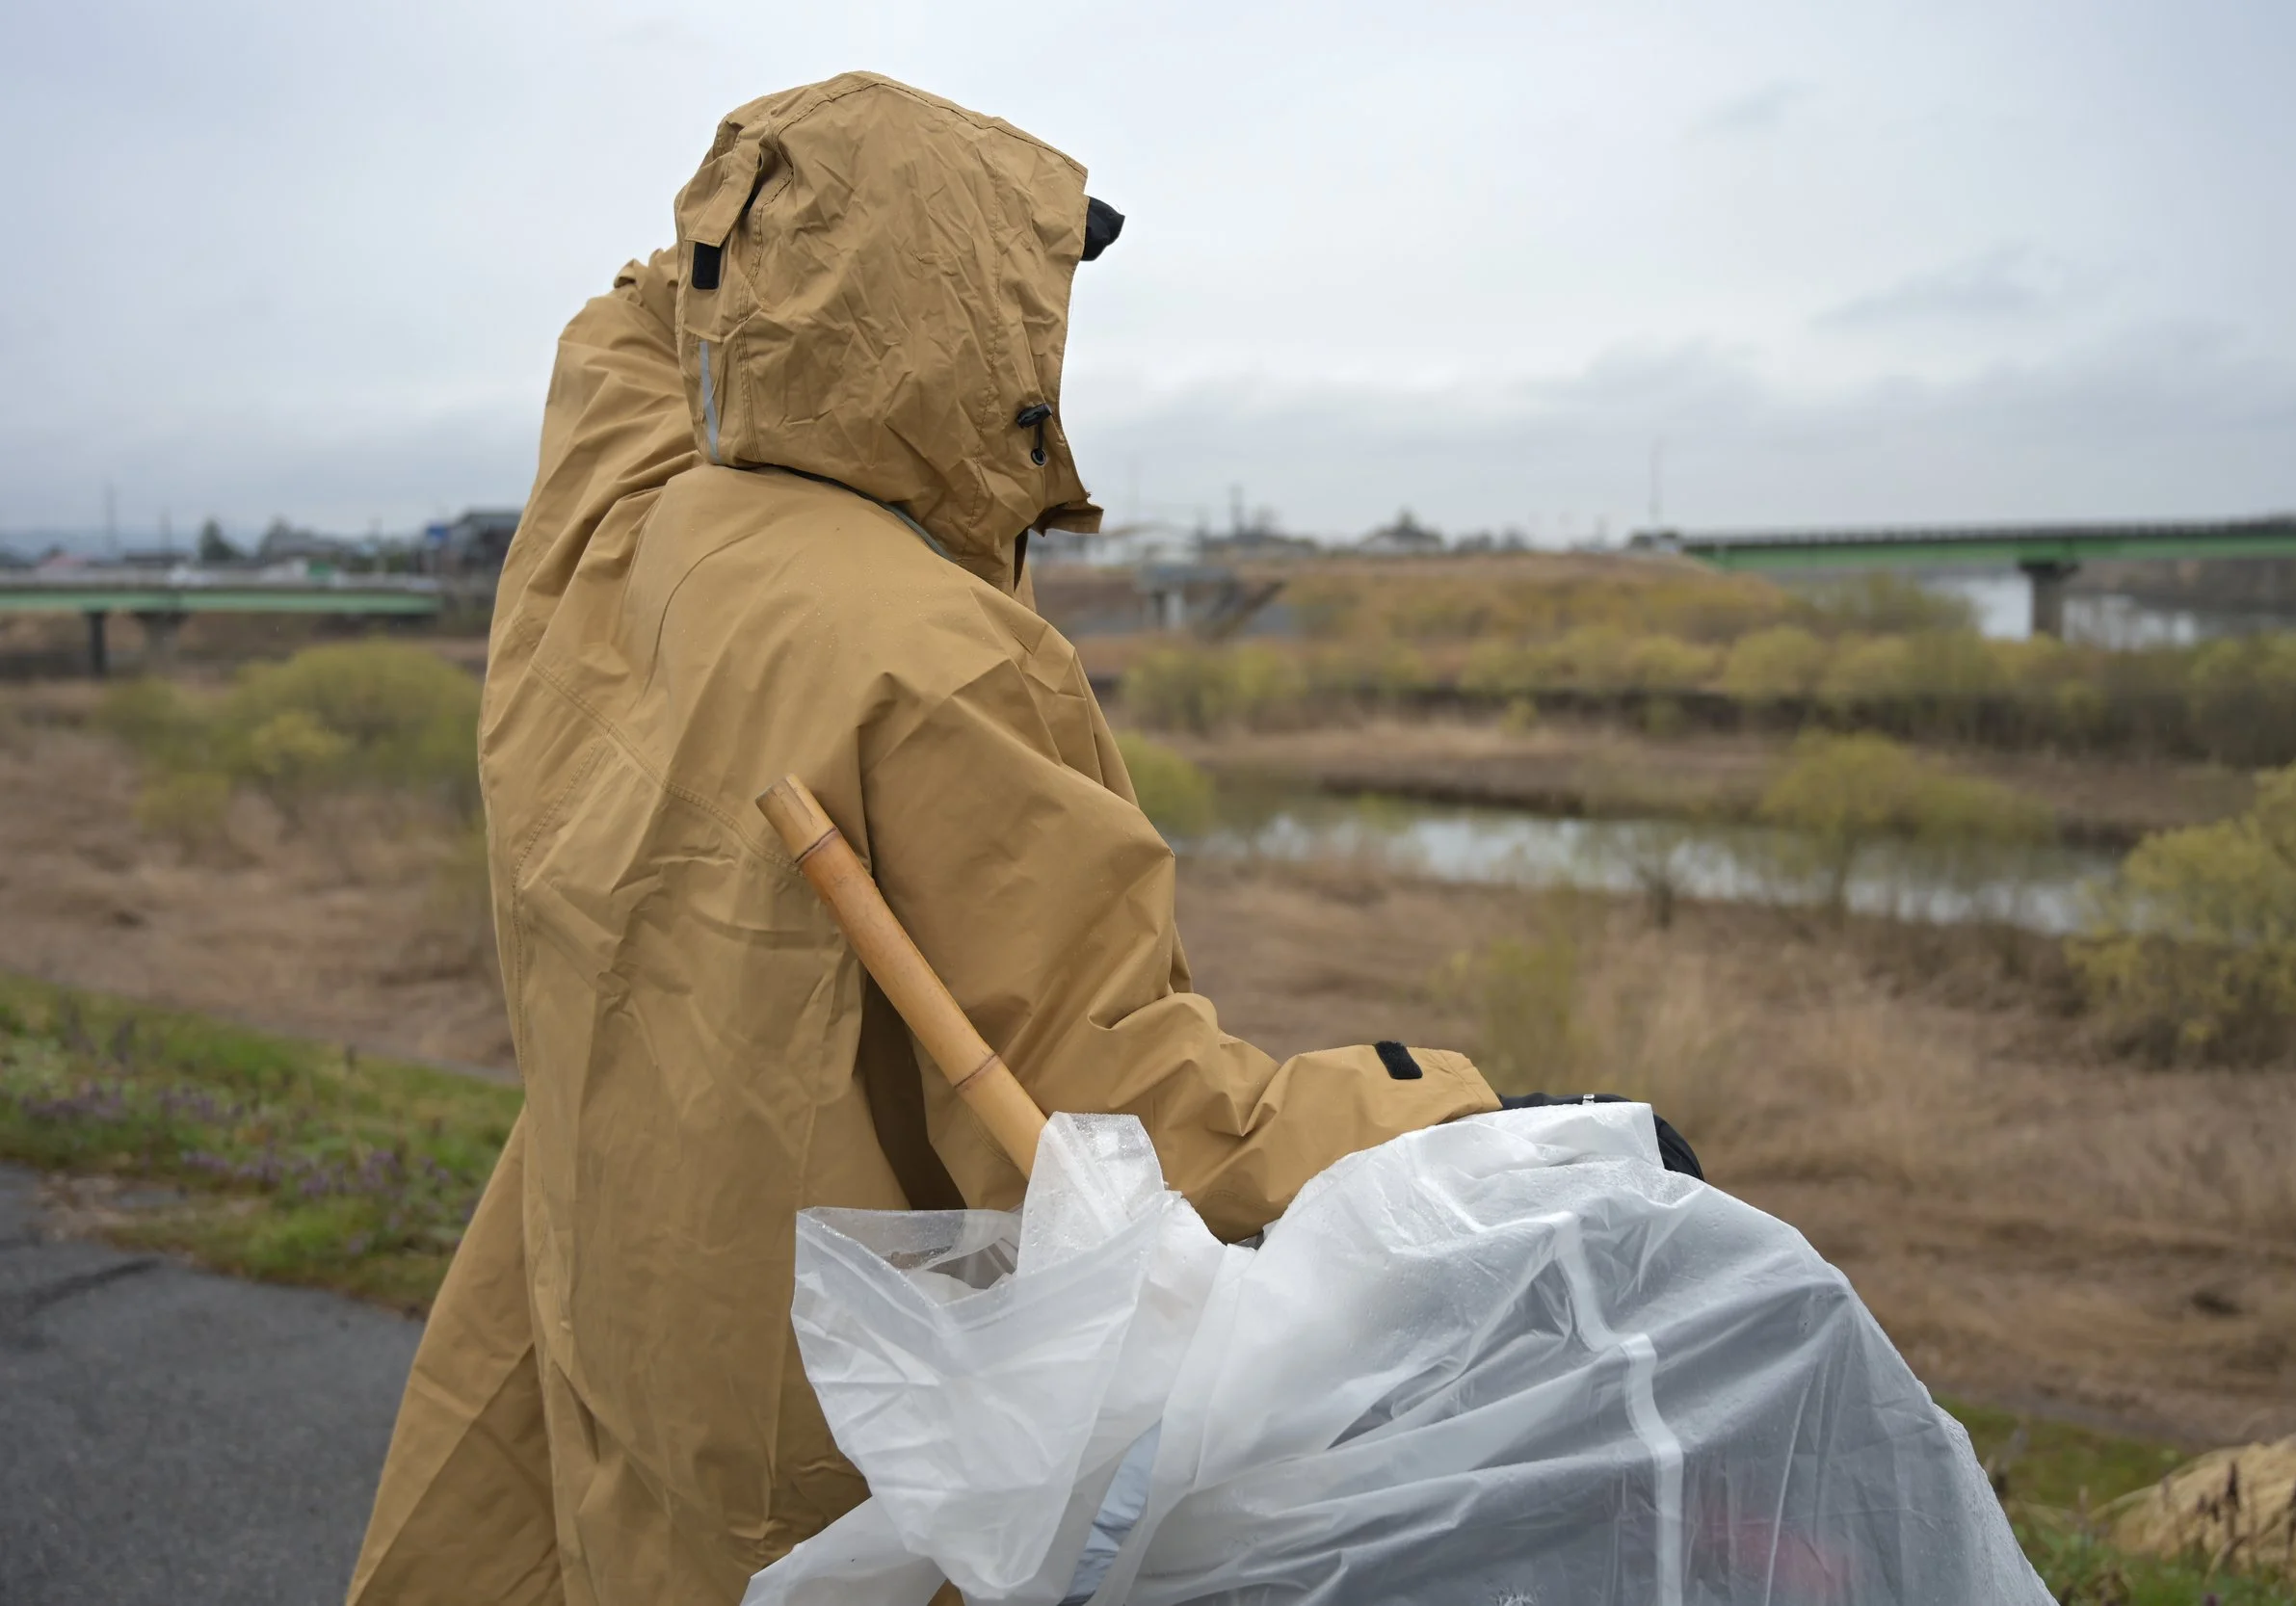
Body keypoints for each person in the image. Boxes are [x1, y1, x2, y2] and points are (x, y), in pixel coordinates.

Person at [346, 73, 1503, 1606]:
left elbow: (628, 335)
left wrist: (768, 209)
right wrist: (1452, 1123)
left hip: (603, 1330)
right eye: (1030, 290)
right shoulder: (932, 651)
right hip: (822, 1438)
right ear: (973, 320)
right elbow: (1102, 1118)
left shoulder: (627, 521)